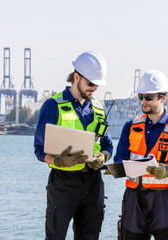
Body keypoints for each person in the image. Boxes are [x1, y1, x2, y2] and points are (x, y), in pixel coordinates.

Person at [34, 51, 113, 240]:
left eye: (97, 85)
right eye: (91, 83)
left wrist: (103, 157)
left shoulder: (99, 108)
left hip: (93, 183)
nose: (94, 88)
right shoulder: (53, 106)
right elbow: (38, 149)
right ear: (76, 77)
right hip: (63, 183)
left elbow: (108, 145)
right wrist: (58, 161)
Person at [113, 70, 168, 240]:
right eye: (141, 96)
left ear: (163, 98)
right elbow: (119, 157)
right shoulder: (130, 126)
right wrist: (123, 166)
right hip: (133, 198)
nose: (143, 101)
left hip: (164, 200)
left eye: (148, 97)